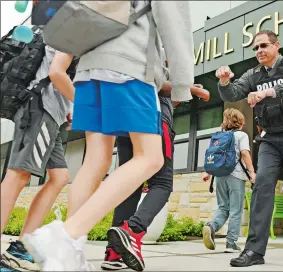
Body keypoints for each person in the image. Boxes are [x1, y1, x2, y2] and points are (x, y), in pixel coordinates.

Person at [21, 1, 195, 271]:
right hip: (130, 66)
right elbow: (175, 25)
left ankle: (72, 254)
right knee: (150, 159)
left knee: (95, 161)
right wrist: (183, 86)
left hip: (88, 71)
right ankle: (64, 236)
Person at [215, 30, 283, 266]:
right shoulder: (253, 75)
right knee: (262, 186)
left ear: (276, 46)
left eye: (264, 46)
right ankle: (254, 251)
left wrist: (269, 92)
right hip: (270, 139)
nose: (259, 51)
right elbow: (233, 92)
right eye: (256, 48)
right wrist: (224, 81)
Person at [101, 49, 210, 271]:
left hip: (127, 124)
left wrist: (180, 96)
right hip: (153, 124)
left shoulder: (130, 51)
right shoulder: (153, 52)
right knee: (162, 184)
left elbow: (163, 93)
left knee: (130, 186)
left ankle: (114, 253)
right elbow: (155, 82)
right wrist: (190, 89)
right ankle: (133, 231)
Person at [0, 46, 76, 272]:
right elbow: (56, 73)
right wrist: (85, 106)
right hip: (41, 107)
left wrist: (68, 108)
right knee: (18, 175)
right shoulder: (72, 29)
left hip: (51, 112)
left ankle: (22, 247)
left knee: (60, 176)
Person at [201, 108, 256, 253]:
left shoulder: (219, 137)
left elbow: (215, 157)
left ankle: (211, 226)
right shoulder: (241, 135)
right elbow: (244, 153)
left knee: (223, 207)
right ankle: (231, 243)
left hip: (219, 176)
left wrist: (208, 172)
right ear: (240, 122)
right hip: (236, 176)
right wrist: (252, 172)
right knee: (235, 210)